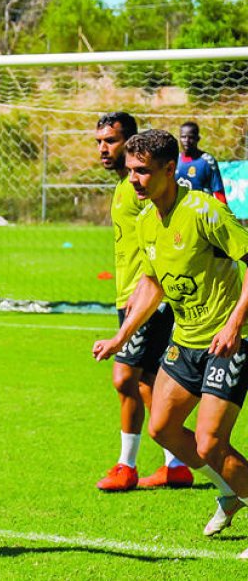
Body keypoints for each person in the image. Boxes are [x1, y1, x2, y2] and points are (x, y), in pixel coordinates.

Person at [94, 129, 248, 548]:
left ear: (169, 169)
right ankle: (231, 492)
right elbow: (151, 284)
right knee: (162, 428)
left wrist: (235, 324)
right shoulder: (146, 221)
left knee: (209, 440)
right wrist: (120, 337)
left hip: (229, 339)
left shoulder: (203, 212)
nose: (134, 180)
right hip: (187, 339)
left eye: (143, 171)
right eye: (130, 171)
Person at [92, 112, 189, 491]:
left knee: (124, 377)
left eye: (111, 141)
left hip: (146, 298)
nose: (103, 148)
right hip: (130, 296)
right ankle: (175, 462)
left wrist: (157, 292)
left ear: (131, 142)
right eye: (99, 141)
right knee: (146, 379)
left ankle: (129, 465)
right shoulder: (125, 188)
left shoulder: (144, 191)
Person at [175, 121, 227, 204]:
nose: (186, 140)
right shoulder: (174, 160)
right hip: (180, 210)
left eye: (191, 137)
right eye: (183, 137)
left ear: (197, 139)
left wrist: (224, 213)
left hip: (202, 210)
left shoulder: (207, 161)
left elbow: (219, 192)